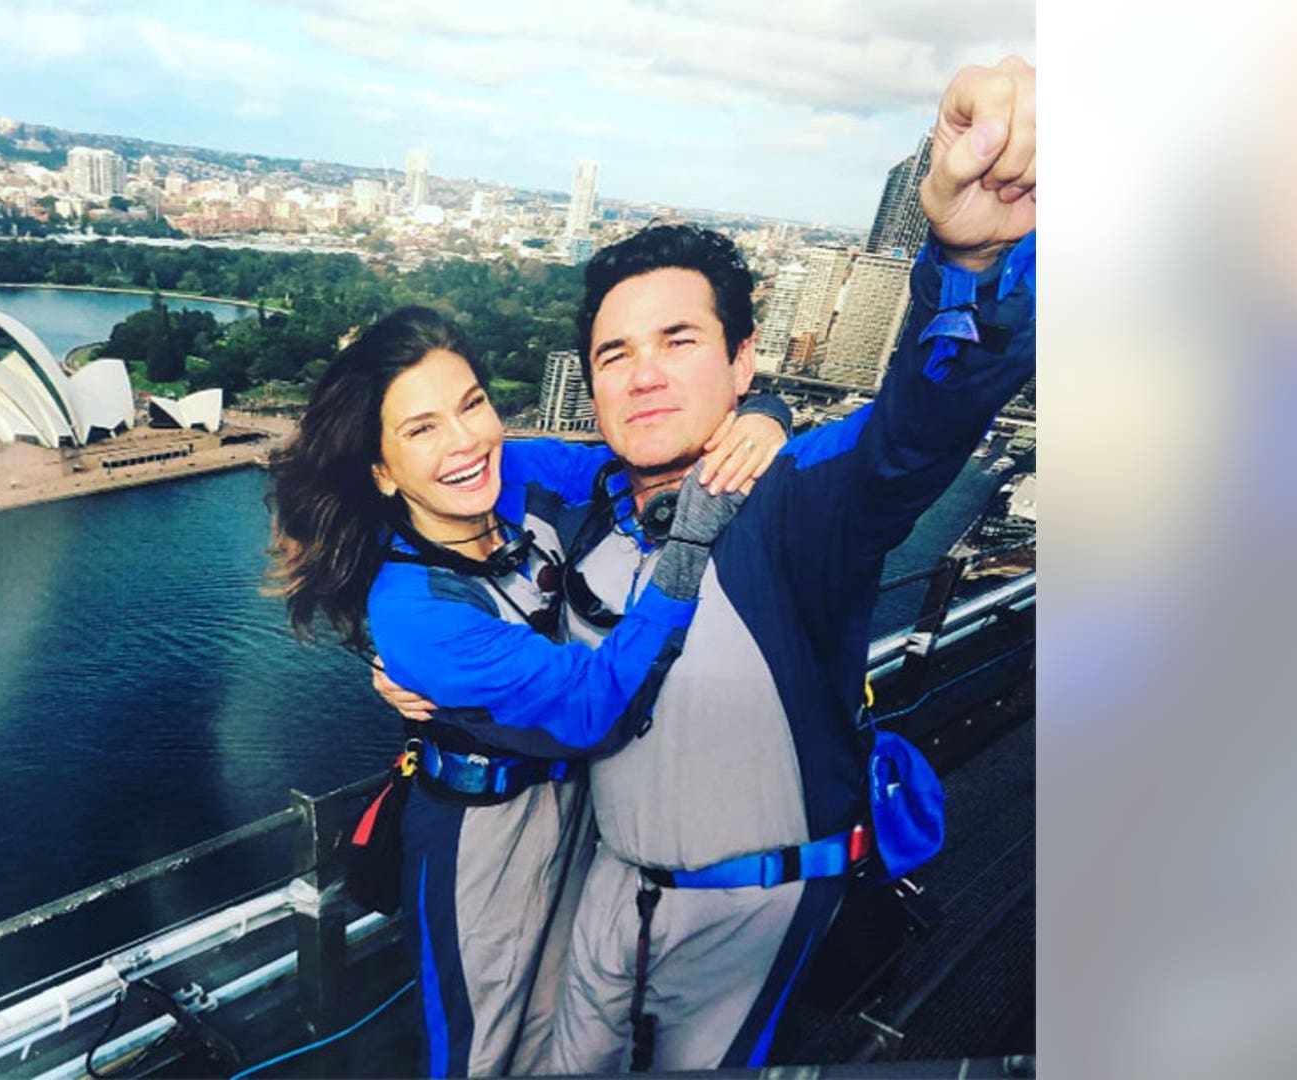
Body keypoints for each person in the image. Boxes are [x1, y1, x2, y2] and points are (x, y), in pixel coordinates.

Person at [376, 57, 1038, 1072]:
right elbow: (425, 486)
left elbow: (915, 428)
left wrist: (974, 259)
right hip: (606, 883)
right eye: (612, 354)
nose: (642, 375)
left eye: (678, 341)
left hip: (751, 909)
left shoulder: (791, 501)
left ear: (741, 362)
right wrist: (398, 652)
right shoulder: (578, 490)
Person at [265, 305, 788, 1077]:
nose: (467, 441)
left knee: (575, 1017)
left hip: (585, 809)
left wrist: (764, 418)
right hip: (486, 835)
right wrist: (688, 548)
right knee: (487, 1037)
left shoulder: (518, 476)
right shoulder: (413, 612)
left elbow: (643, 468)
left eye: (473, 404)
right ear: (380, 469)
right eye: (422, 429)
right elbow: (589, 708)